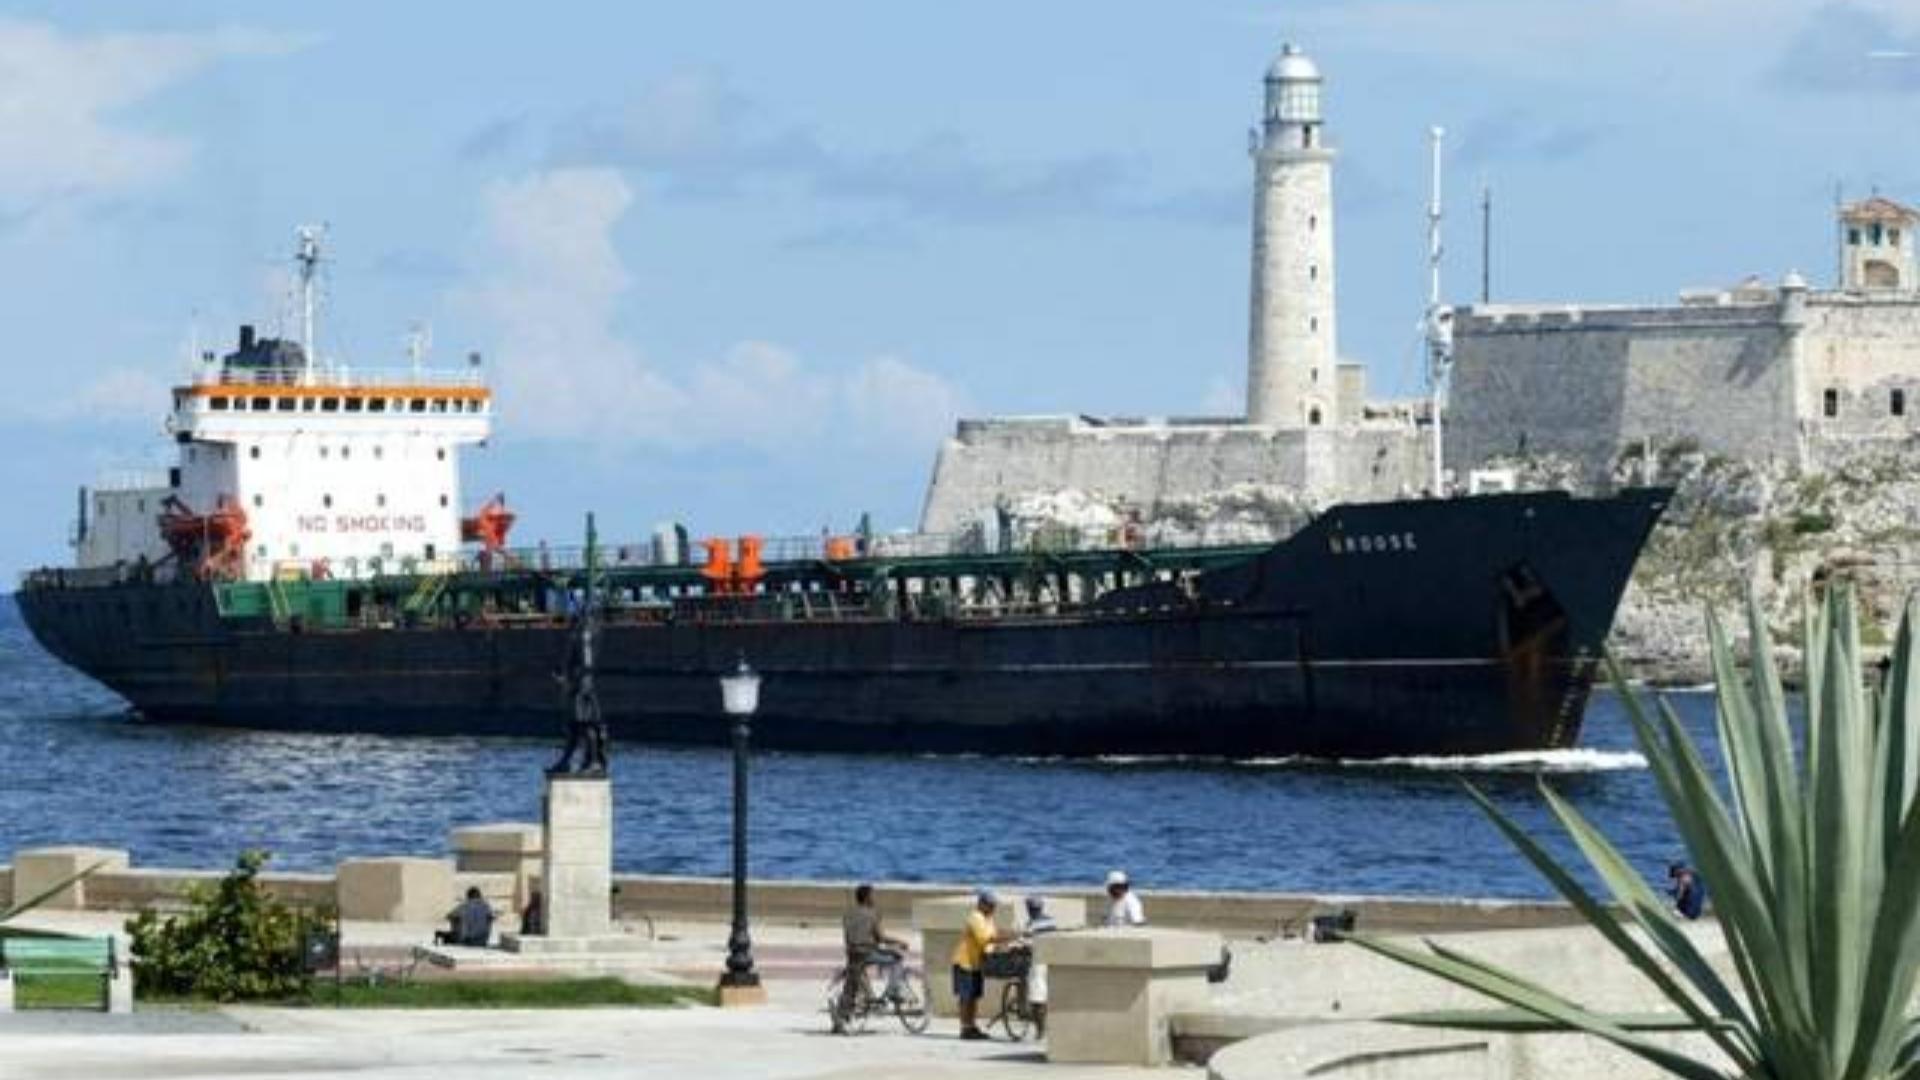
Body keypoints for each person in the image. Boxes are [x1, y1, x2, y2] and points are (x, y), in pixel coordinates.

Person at [834, 883, 910, 1033]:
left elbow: (849, 936)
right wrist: (900, 942)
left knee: (851, 985)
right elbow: (882, 938)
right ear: (867, 897)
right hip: (868, 952)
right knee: (897, 959)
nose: (874, 898)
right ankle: (895, 991)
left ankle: (841, 1019)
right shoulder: (873, 913)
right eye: (873, 895)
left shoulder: (848, 914)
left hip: (852, 953)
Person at [952, 888, 1015, 1041]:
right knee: (966, 997)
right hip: (964, 962)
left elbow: (993, 936)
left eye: (994, 905)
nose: (993, 908)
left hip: (976, 963)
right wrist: (1009, 937)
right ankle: (965, 1028)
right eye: (990, 905)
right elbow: (984, 938)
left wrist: (1003, 942)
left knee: (974, 997)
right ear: (981, 904)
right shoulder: (976, 917)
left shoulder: (988, 918)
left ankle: (972, 1026)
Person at [1022, 895, 1059, 1037]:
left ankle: (1040, 1030)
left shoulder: (1031, 924)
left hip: (1037, 963)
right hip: (1050, 961)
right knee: (1046, 994)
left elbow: (1026, 942)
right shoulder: (1051, 921)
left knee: (1037, 997)